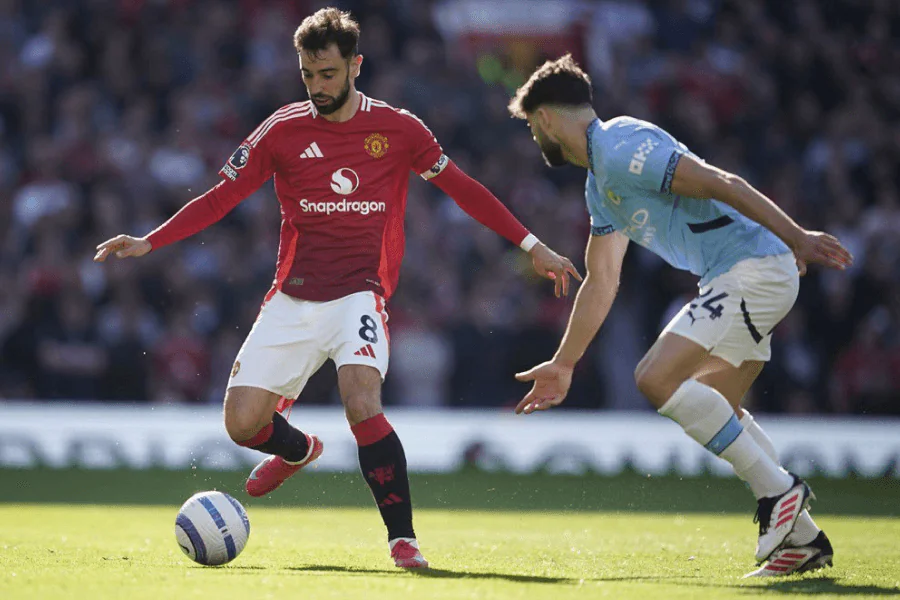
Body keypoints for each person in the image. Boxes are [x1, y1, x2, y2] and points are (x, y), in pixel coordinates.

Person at [94, 8, 580, 570]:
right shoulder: (281, 130)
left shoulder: (399, 129)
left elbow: (464, 189)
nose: (318, 86)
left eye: (327, 73)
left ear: (356, 65)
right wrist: (149, 241)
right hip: (293, 297)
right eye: (307, 75)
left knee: (361, 401)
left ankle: (403, 540)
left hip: (359, 295)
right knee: (240, 423)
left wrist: (532, 245)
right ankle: (300, 450)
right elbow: (219, 197)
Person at [507, 55, 852, 578]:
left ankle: (780, 494)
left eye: (533, 126)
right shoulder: (600, 185)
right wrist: (564, 363)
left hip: (750, 268)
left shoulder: (622, 147)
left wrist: (796, 236)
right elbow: (602, 282)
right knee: (717, 406)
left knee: (654, 377)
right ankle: (802, 541)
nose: (535, 139)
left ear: (548, 118)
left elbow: (721, 182)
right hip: (739, 274)